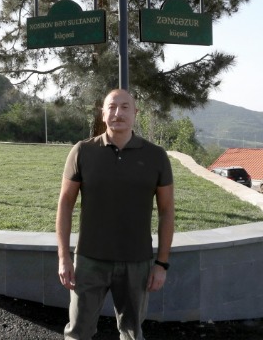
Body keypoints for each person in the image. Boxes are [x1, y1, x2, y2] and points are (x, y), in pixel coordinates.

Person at [56, 89, 175, 340]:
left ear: (135, 113)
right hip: (89, 261)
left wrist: (161, 264)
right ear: (103, 113)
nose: (118, 113)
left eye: (125, 107)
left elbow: (166, 211)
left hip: (137, 262)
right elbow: (65, 203)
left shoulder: (156, 156)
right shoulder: (82, 151)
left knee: (132, 333)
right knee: (78, 332)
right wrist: (64, 257)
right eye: (111, 107)